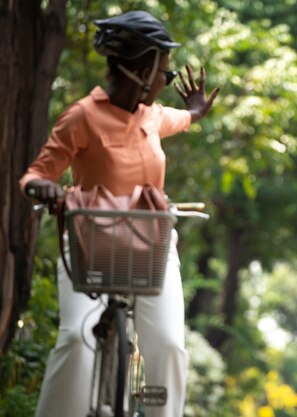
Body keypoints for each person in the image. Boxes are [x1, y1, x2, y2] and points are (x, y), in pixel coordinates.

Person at [20, 10, 219, 417]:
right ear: (141, 70)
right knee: (78, 338)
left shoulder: (153, 116)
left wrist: (197, 112)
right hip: (88, 245)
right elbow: (36, 174)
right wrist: (43, 188)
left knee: (167, 344)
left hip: (152, 247)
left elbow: (182, 118)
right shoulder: (82, 117)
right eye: (163, 70)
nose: (166, 80)